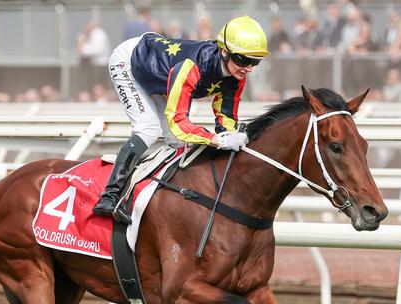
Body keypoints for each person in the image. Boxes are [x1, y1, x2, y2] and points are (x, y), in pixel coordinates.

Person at [92, 15, 269, 221]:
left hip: (161, 71)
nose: (247, 67)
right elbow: (178, 122)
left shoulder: (237, 76)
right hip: (130, 63)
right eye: (242, 59)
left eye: (254, 61)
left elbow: (226, 116)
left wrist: (232, 137)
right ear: (224, 51)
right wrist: (215, 140)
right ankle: (110, 196)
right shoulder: (192, 67)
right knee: (148, 129)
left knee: (176, 143)